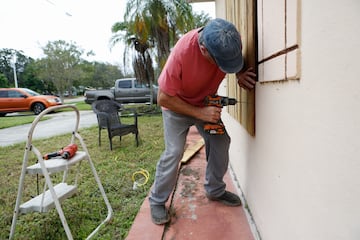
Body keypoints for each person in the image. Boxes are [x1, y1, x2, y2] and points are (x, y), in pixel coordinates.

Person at [149, 18, 256, 225]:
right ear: (204, 50)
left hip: (206, 102)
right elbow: (162, 97)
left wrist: (240, 73)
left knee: (220, 141)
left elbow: (235, 59)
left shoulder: (228, 39)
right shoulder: (182, 53)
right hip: (176, 105)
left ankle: (215, 190)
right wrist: (200, 114)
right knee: (174, 151)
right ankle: (157, 201)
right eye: (220, 64)